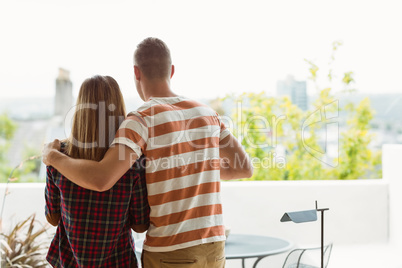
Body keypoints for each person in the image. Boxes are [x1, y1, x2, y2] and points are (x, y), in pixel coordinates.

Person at [43, 38, 253, 267]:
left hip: (171, 251)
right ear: (171, 71)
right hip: (214, 247)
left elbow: (102, 179)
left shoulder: (141, 119)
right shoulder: (207, 113)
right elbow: (244, 168)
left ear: (136, 72)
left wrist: (53, 157)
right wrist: (193, 166)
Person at [44, 75, 150, 268]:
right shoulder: (131, 160)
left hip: (69, 262)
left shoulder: (57, 156)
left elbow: (52, 217)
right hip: (119, 262)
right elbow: (140, 224)